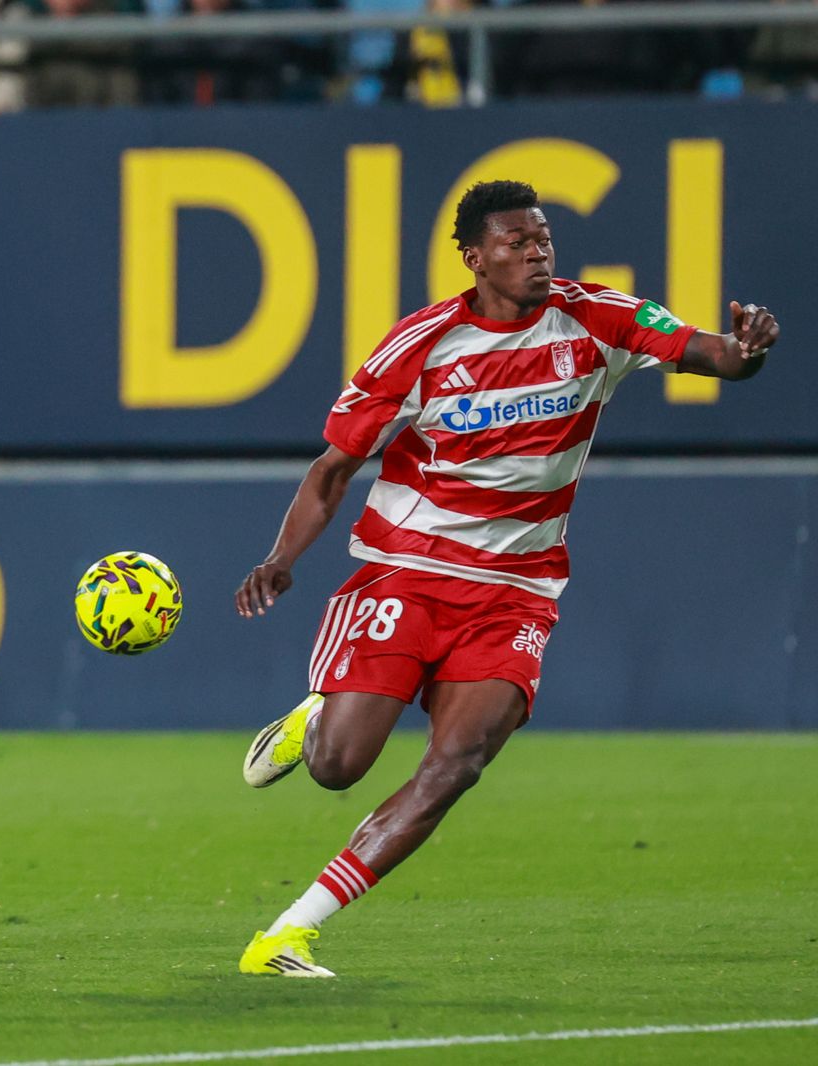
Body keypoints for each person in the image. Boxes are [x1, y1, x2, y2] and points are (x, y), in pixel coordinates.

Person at [234, 180, 780, 978]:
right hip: (409, 575)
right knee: (337, 768)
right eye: (517, 242)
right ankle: (313, 720)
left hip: (516, 591)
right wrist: (283, 559)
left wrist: (749, 348)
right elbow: (333, 468)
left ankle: (287, 932)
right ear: (473, 257)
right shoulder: (418, 346)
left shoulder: (598, 318)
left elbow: (719, 359)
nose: (537, 253)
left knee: (459, 759)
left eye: (544, 239)